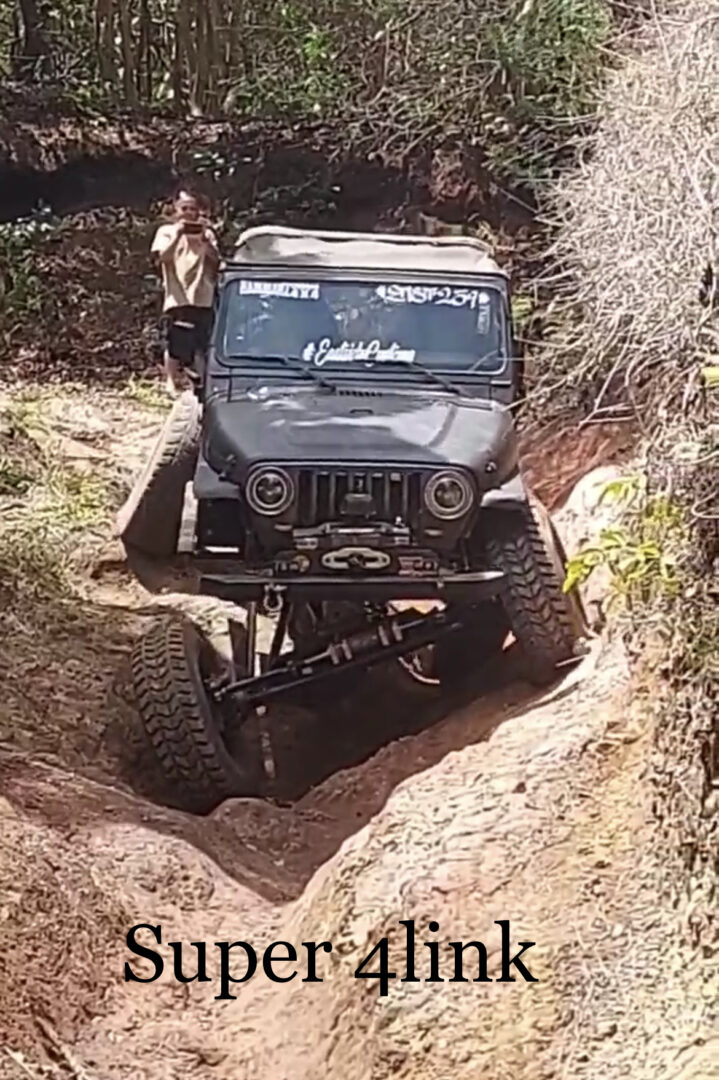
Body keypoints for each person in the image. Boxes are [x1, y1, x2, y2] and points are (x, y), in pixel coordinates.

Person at [151, 187, 220, 395]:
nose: (189, 212)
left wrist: (206, 242)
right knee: (174, 339)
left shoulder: (207, 233)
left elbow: (217, 261)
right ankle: (171, 381)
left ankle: (198, 382)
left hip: (203, 294)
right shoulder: (165, 232)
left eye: (193, 208)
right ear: (176, 209)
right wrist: (178, 234)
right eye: (184, 208)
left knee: (202, 340)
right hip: (177, 294)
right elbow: (162, 257)